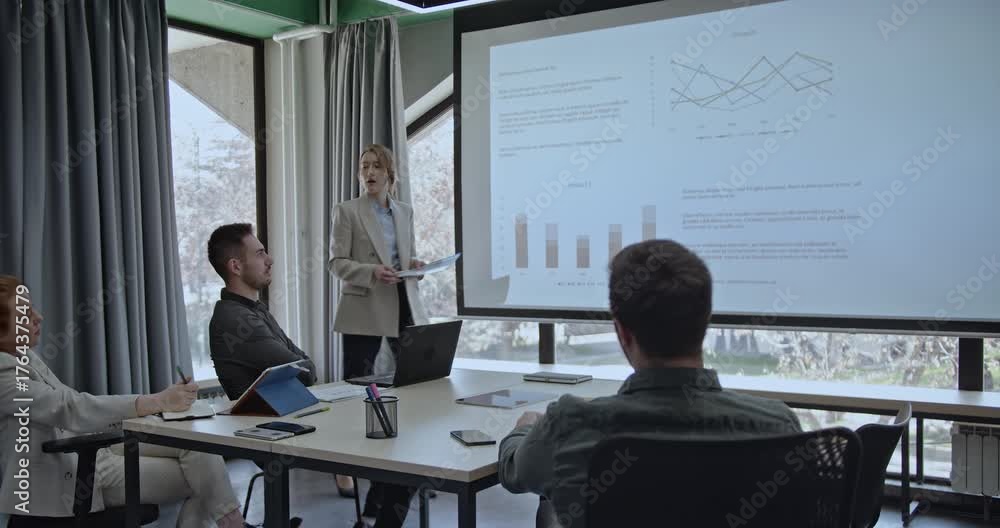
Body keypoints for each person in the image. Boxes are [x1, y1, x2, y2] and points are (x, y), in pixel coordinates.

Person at [497, 240, 803, 528]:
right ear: (705, 321)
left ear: (622, 333)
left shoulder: (570, 427)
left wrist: (524, 429)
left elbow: (513, 471)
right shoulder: (778, 428)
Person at [0, 275, 250, 527]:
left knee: (198, 447)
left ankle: (233, 523)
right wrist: (156, 402)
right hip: (77, 476)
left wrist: (158, 404)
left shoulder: (23, 356)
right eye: (24, 312)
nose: (38, 316)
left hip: (96, 451)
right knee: (206, 482)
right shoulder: (3, 375)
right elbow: (71, 408)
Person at [206, 223, 357, 497]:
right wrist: (303, 365)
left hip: (288, 413)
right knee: (371, 430)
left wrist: (303, 365)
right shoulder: (235, 319)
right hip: (269, 427)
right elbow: (305, 370)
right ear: (236, 267)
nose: (270, 260)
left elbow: (300, 363)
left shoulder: (252, 310)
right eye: (260, 253)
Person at [328, 144, 427, 527]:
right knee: (358, 395)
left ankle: (399, 474)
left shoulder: (404, 211)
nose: (368, 172)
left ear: (389, 174)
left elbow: (407, 256)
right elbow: (336, 263)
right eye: (363, 166)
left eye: (375, 166)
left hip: (402, 303)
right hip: (362, 310)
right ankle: (348, 469)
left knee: (411, 387)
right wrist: (372, 272)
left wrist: (413, 265)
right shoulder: (347, 211)